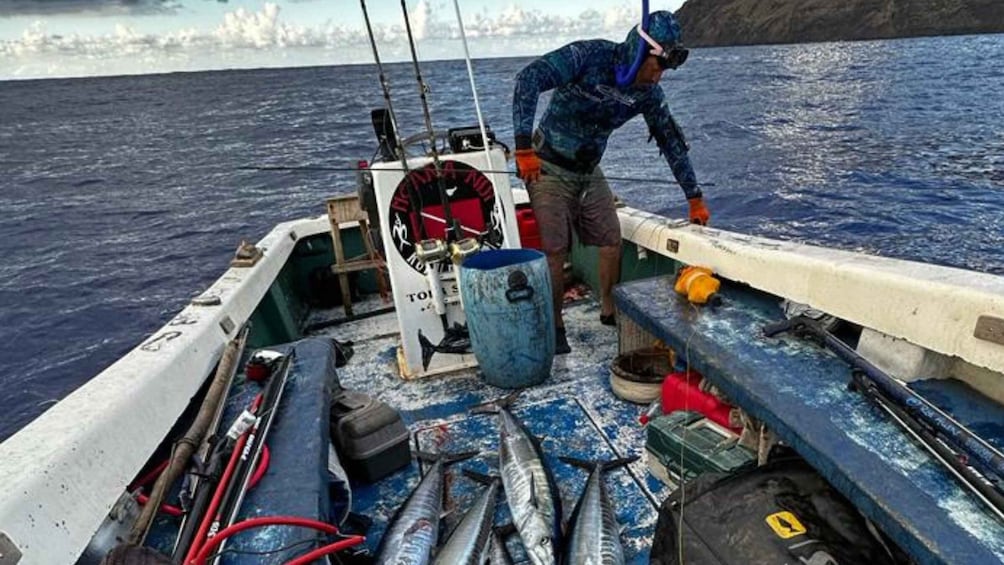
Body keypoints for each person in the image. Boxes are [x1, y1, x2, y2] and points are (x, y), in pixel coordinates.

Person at [511, 10, 709, 354]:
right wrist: (523, 147)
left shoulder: (647, 94)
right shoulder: (589, 57)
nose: (659, 77)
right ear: (640, 51)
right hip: (547, 166)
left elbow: (671, 141)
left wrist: (694, 197)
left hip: (589, 171)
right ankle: (557, 325)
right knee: (555, 249)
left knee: (611, 240)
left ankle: (608, 308)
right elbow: (528, 79)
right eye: (657, 66)